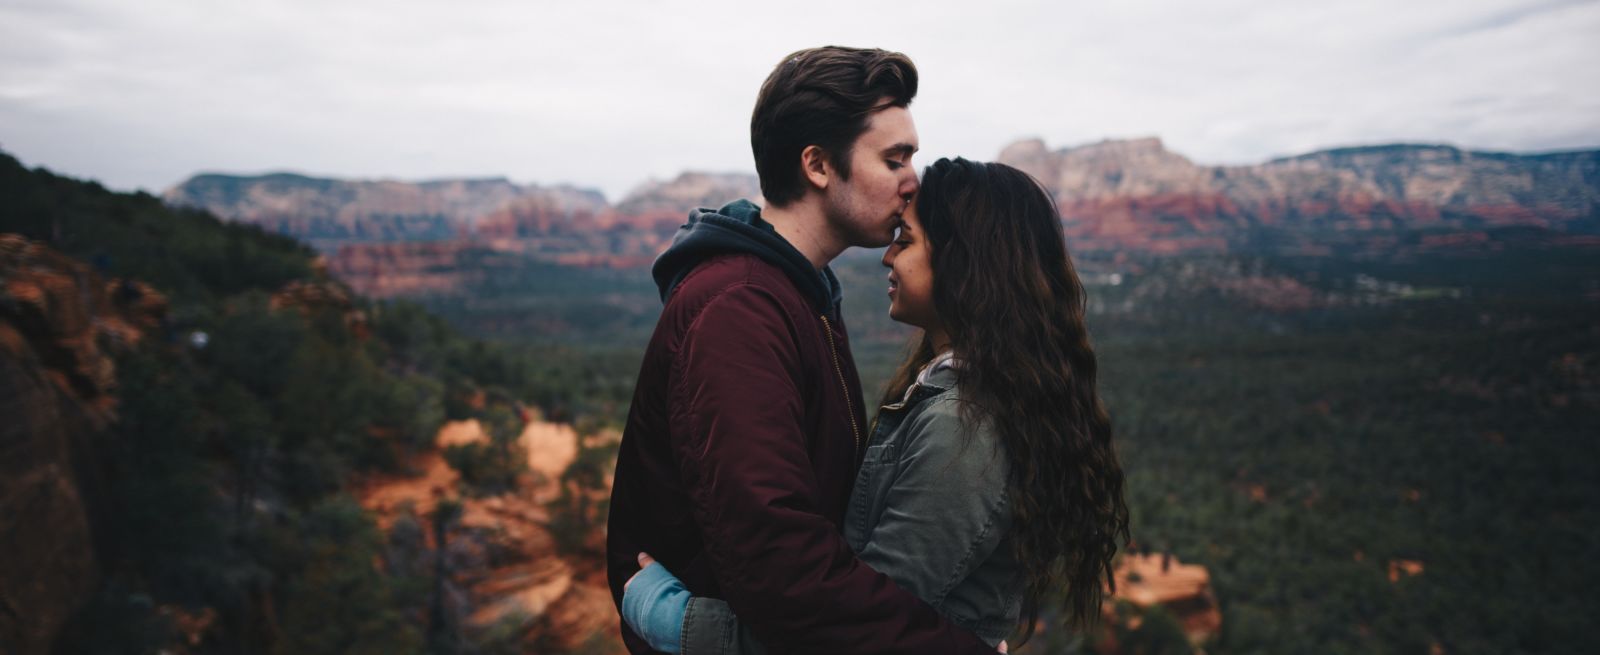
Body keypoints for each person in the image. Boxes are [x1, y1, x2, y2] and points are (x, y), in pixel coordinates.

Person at [622, 157, 1132, 653]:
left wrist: (678, 621)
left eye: (905, 242)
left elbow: (851, 632)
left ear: (965, 263)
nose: (887, 257)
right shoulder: (955, 397)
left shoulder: (963, 428)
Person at [605, 47, 1000, 654]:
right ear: (818, 165)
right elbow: (779, 562)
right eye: (894, 158)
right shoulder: (739, 308)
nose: (912, 179)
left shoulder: (799, 292)